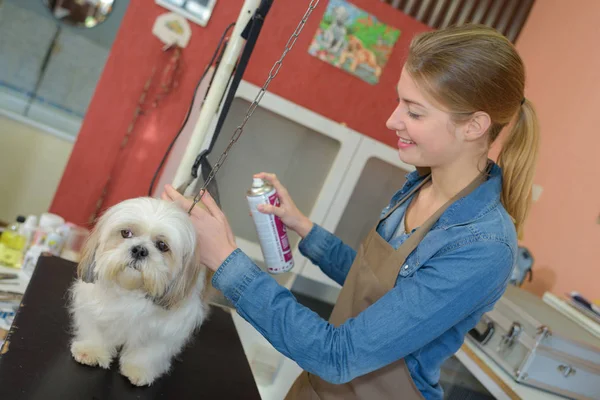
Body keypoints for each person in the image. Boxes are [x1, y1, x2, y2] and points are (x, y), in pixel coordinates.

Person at [162, 24, 540, 400]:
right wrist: (305, 229)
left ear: (474, 126)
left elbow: (338, 355)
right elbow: (376, 290)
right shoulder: (418, 185)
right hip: (317, 388)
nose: (393, 120)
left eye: (415, 112)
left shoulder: (483, 246)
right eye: (399, 102)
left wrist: (227, 262)